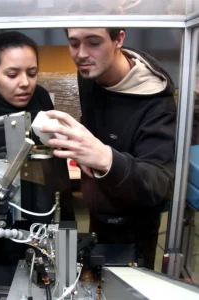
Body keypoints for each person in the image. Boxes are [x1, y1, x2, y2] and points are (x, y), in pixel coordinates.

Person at [40, 28, 176, 270]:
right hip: (99, 208)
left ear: (119, 39)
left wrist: (105, 157)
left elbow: (158, 184)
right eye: (73, 43)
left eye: (93, 42)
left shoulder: (157, 103)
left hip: (135, 226)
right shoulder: (89, 75)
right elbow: (93, 122)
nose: (81, 54)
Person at [0, 31, 74, 229]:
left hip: (52, 207)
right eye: (12, 75)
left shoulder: (40, 97)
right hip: (8, 224)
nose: (25, 83)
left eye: (32, 73)